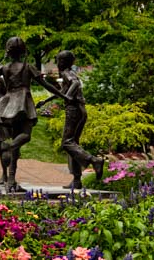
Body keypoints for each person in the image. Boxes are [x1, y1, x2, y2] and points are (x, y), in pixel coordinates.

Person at [0, 36, 64, 192]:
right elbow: (46, 84)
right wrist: (63, 95)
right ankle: (9, 148)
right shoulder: (28, 67)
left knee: (16, 144)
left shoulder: (5, 67)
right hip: (23, 102)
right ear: (23, 51)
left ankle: (11, 181)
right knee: (24, 136)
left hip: (8, 104)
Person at [37, 50, 105, 189]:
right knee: (74, 144)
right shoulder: (68, 73)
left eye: (58, 61)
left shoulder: (67, 73)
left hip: (74, 110)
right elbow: (62, 91)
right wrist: (46, 100)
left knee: (67, 143)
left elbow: (74, 84)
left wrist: (67, 97)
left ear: (64, 62)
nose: (57, 63)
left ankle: (94, 160)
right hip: (80, 110)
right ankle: (76, 180)